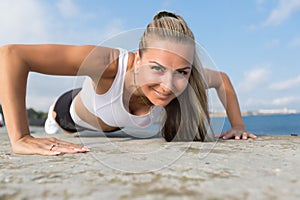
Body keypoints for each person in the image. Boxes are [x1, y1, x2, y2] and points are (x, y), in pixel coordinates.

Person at [0, 11, 256, 156]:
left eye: (181, 72)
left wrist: (238, 125)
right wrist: (21, 137)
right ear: (139, 57)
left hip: (115, 128)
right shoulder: (109, 65)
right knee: (66, 113)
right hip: (66, 117)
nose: (168, 85)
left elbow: (223, 80)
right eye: (156, 68)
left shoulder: (189, 78)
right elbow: (11, 55)